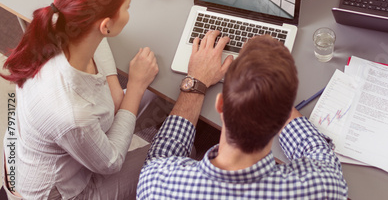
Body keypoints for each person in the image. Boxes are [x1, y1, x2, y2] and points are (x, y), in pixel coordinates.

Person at [1, 0, 159, 199]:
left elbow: (96, 37)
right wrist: (134, 86)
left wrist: (115, 88)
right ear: (106, 25)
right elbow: (111, 162)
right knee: (168, 158)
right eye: (127, 7)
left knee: (146, 98)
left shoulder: (57, 22)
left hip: (28, 150)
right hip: (61, 191)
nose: (129, 12)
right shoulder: (73, 115)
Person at [137, 33, 348, 199]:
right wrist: (270, 90)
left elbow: (160, 155)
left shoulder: (156, 184)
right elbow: (319, 154)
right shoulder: (324, 188)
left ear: (220, 104)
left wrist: (197, 81)